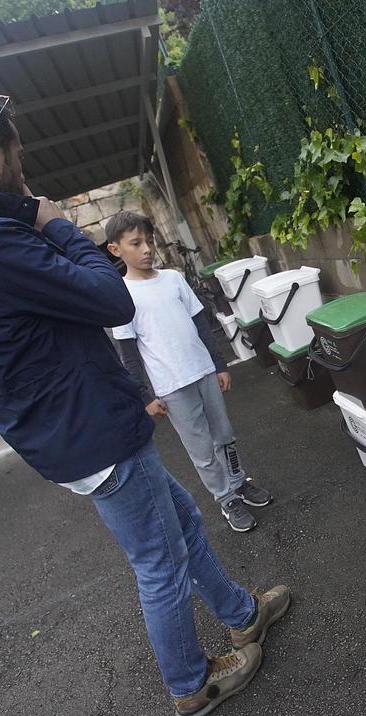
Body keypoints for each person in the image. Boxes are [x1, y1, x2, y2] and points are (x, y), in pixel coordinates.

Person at [0, 78, 290, 716]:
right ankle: (192, 685)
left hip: (71, 434)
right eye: (17, 155)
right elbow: (111, 299)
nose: (22, 169)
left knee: (181, 521)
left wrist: (25, 424)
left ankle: (243, 615)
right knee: (159, 562)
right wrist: (53, 222)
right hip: (93, 430)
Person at [105, 211, 271, 533]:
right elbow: (128, 355)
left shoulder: (174, 279)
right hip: (172, 387)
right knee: (202, 450)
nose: (147, 249)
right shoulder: (121, 296)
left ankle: (238, 483)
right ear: (115, 249)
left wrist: (219, 365)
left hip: (204, 372)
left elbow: (201, 325)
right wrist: (145, 396)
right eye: (136, 243)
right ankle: (226, 499)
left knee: (225, 436)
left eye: (149, 241)